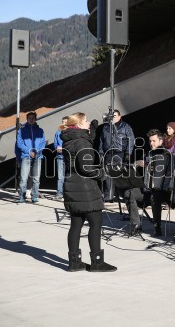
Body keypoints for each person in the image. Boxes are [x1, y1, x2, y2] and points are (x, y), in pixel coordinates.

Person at [61, 112, 116, 272]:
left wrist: (91, 131)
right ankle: (97, 263)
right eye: (85, 121)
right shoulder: (82, 142)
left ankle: (74, 263)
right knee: (96, 222)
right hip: (84, 187)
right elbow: (86, 167)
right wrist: (102, 173)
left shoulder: (69, 140)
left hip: (71, 185)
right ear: (78, 125)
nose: (88, 123)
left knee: (75, 225)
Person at [98, 110, 135, 201]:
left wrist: (128, 153)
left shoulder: (126, 126)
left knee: (119, 175)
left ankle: (123, 195)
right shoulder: (106, 127)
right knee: (107, 175)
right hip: (108, 153)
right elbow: (101, 141)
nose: (112, 118)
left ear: (119, 116)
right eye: (111, 116)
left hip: (119, 153)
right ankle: (109, 195)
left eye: (114, 116)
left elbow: (131, 140)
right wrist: (101, 152)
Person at [16, 111, 46, 203]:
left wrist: (37, 152)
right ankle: (22, 196)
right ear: (27, 119)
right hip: (26, 157)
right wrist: (29, 152)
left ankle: (35, 196)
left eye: (33, 118)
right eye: (29, 118)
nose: (31, 120)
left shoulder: (40, 131)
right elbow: (19, 143)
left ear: (35, 119)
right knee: (24, 178)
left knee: (36, 178)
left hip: (37, 157)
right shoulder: (22, 131)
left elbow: (43, 143)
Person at [53, 116, 69, 201]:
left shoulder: (71, 132)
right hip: (60, 156)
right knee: (60, 177)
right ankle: (59, 193)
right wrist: (57, 147)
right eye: (63, 122)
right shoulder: (58, 132)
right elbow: (55, 143)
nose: (64, 123)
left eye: (66, 122)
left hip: (68, 156)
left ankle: (68, 193)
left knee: (68, 176)